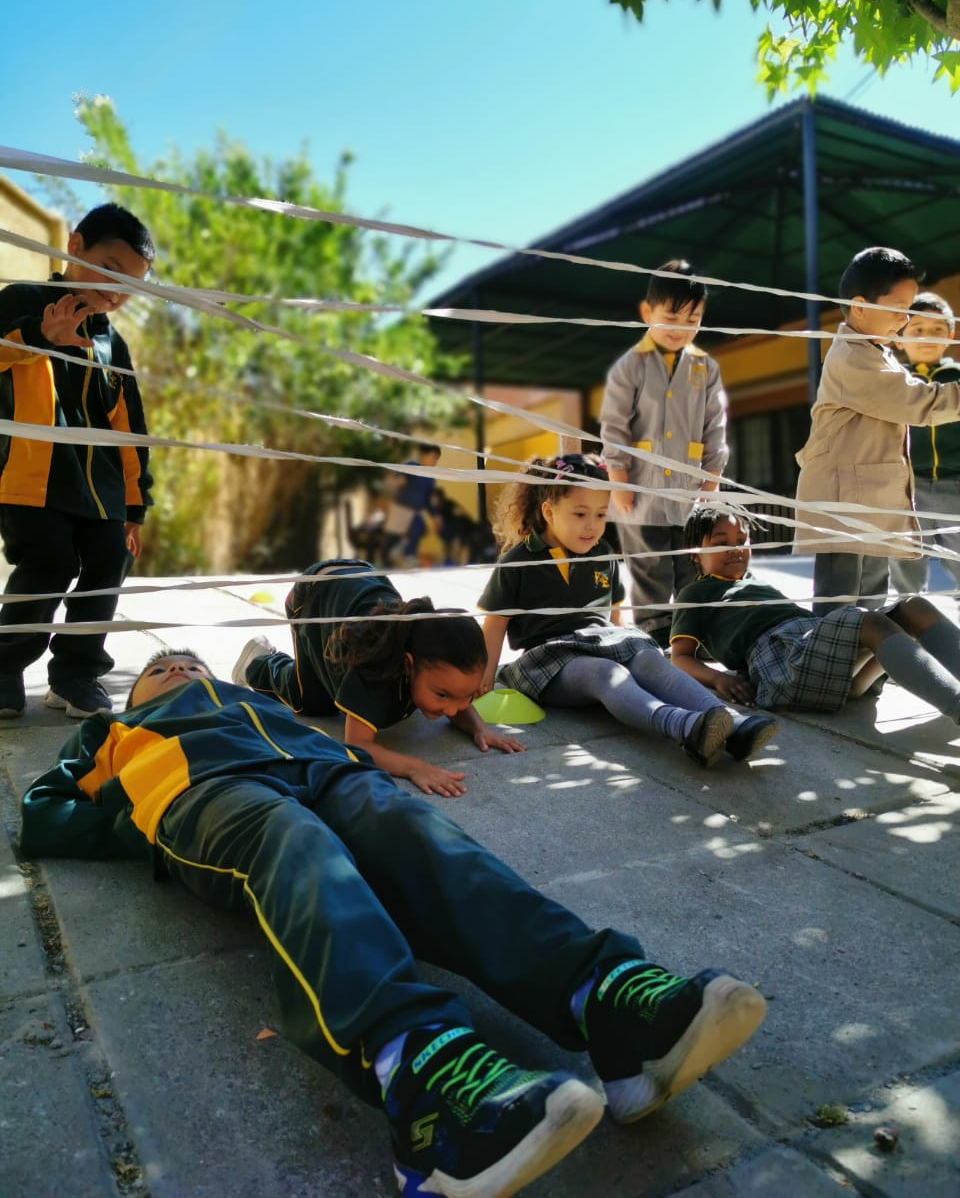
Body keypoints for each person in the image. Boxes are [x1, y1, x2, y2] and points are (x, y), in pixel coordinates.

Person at [19, 648, 767, 1198]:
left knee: (420, 839)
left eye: (190, 663)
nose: (179, 669)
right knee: (295, 845)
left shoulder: (256, 701)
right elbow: (42, 813)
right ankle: (421, 1081)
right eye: (160, 669)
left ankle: (604, 1001)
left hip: (325, 772)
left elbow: (316, 705)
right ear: (134, 695)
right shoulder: (112, 732)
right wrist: (135, 821)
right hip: (207, 792)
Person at [477, 455, 777, 768]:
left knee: (648, 659)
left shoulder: (604, 554)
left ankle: (734, 725)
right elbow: (495, 625)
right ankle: (686, 727)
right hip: (549, 661)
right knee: (607, 673)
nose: (592, 525)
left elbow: (615, 619)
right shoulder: (518, 560)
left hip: (597, 642)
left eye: (601, 514)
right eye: (580, 514)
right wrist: (482, 684)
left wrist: (630, 650)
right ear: (548, 511)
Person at [0, 203, 154, 720]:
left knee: (109, 562)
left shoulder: (112, 343)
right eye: (109, 268)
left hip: (102, 489)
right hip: (32, 477)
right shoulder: (20, 302)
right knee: (49, 563)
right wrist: (40, 338)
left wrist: (135, 503)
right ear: (74, 246)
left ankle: (76, 675)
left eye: (131, 284)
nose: (116, 290)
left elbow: (128, 425)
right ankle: (3, 668)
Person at [232, 558, 524, 796]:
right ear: (408, 664)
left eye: (467, 696)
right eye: (442, 695)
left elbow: (456, 695)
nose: (452, 710)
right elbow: (358, 745)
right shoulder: (374, 669)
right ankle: (258, 661)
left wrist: (479, 728)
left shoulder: (428, 658)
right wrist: (414, 768)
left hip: (364, 579)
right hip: (317, 589)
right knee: (311, 700)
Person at [670, 505, 960, 721]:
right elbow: (680, 657)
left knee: (912, 607)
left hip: (821, 657)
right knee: (870, 622)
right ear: (694, 554)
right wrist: (718, 679)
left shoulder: (754, 582)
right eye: (721, 543)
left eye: (741, 540)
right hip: (782, 662)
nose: (735, 549)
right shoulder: (696, 593)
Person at [794, 248, 960, 614]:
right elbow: (920, 403)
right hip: (843, 498)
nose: (905, 318)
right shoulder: (852, 357)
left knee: (870, 595)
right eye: (899, 308)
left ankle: (872, 649)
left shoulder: (877, 352)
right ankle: (837, 652)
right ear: (859, 306)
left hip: (870, 495)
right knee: (841, 600)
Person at [599, 259, 728, 646]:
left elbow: (714, 425)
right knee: (650, 566)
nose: (681, 328)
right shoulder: (630, 366)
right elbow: (614, 426)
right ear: (647, 313)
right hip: (641, 490)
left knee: (691, 564)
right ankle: (653, 634)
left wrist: (712, 477)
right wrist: (619, 481)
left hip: (688, 490)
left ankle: (691, 635)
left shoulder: (705, 368)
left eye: (693, 319)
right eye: (671, 317)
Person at [888, 292, 960, 595]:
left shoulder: (957, 379)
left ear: (950, 336)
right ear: (899, 338)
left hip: (955, 485)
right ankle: (910, 612)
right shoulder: (892, 380)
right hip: (908, 489)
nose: (927, 336)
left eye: (937, 329)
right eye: (917, 329)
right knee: (906, 562)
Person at [382, 442, 441, 566]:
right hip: (401, 509)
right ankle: (387, 558)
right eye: (432, 457)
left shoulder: (430, 478)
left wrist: (434, 516)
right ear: (423, 455)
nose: (434, 461)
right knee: (392, 537)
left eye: (436, 459)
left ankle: (408, 555)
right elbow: (397, 477)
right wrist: (399, 480)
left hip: (415, 511)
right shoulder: (412, 466)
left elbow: (428, 500)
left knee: (418, 528)